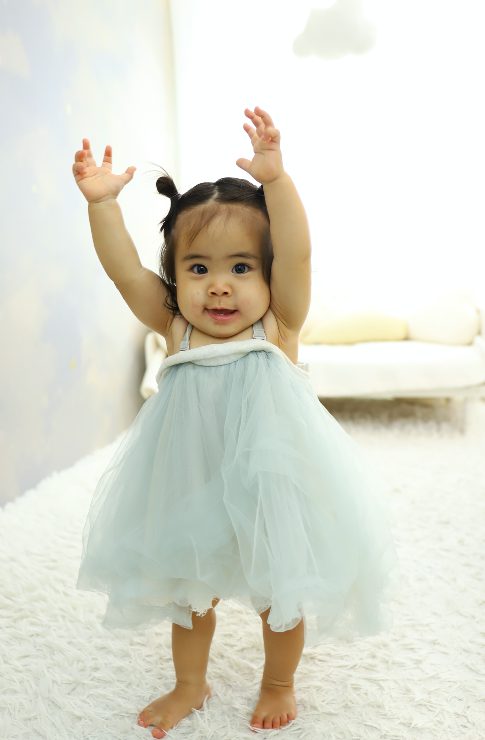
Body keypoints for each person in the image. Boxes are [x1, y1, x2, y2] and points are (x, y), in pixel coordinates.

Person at [72, 106, 399, 738]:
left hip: (271, 488)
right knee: (190, 595)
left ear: (267, 274)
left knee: (280, 590)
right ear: (175, 276)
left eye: (241, 267)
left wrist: (277, 182)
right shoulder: (175, 325)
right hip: (192, 483)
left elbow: (298, 253)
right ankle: (189, 683)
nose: (219, 287)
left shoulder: (278, 322)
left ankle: (278, 682)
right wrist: (103, 205)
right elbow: (123, 270)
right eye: (198, 268)